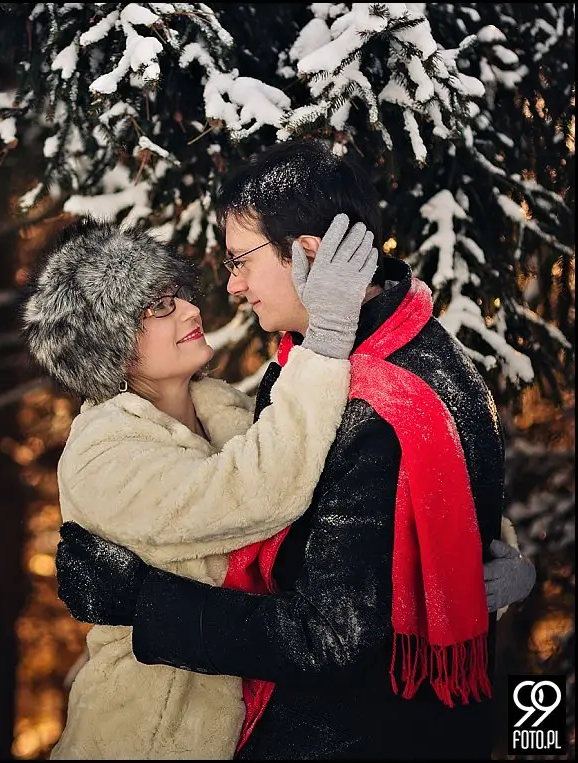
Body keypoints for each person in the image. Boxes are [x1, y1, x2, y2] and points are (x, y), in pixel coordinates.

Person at [54, 138, 537, 759]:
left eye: (240, 262)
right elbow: (286, 496)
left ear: (309, 252)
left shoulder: (377, 396)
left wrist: (141, 601)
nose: (226, 288)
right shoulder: (316, 370)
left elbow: (334, 625)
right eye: (157, 306)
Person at [22, 213, 376, 758]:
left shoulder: (229, 413)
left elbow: (343, 485)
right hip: (145, 737)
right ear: (112, 345)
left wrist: (469, 548)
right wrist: (324, 343)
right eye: (159, 306)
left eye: (179, 294)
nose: (191, 308)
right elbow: (260, 492)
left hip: (252, 727)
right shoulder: (101, 455)